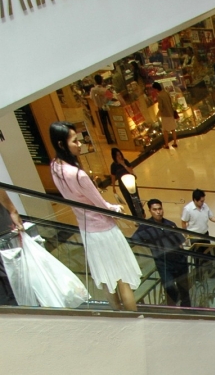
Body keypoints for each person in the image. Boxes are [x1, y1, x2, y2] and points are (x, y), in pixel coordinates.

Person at [49, 122, 140, 311]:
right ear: (61, 144)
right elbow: (101, 205)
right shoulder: (78, 174)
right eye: (74, 141)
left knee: (107, 279)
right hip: (104, 230)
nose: (79, 144)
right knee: (122, 280)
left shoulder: (55, 167)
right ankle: (135, 321)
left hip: (87, 231)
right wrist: (116, 209)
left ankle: (118, 318)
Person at [130, 199, 192, 307]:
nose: (158, 212)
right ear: (150, 211)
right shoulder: (146, 227)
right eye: (155, 210)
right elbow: (134, 240)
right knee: (169, 286)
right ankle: (175, 306)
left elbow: (180, 242)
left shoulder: (170, 224)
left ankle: (187, 309)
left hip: (179, 260)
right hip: (163, 263)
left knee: (184, 288)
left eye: (160, 209)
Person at [109, 147, 144, 219]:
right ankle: (135, 217)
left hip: (131, 184)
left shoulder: (125, 161)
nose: (119, 156)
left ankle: (142, 213)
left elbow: (131, 171)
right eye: (117, 155)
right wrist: (113, 187)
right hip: (123, 186)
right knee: (129, 202)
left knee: (136, 199)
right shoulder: (113, 166)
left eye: (120, 154)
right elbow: (113, 177)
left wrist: (123, 165)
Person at [150, 82, 178, 149]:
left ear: (156, 89)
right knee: (173, 129)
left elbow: (161, 107)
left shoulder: (159, 96)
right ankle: (175, 142)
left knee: (165, 130)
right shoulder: (166, 93)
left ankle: (166, 144)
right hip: (171, 113)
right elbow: (170, 102)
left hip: (165, 115)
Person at [90, 73, 115, 143]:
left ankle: (109, 140)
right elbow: (111, 96)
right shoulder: (104, 90)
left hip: (100, 108)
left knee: (104, 125)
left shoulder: (92, 90)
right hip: (107, 108)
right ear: (101, 80)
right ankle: (116, 137)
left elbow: (91, 97)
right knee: (111, 123)